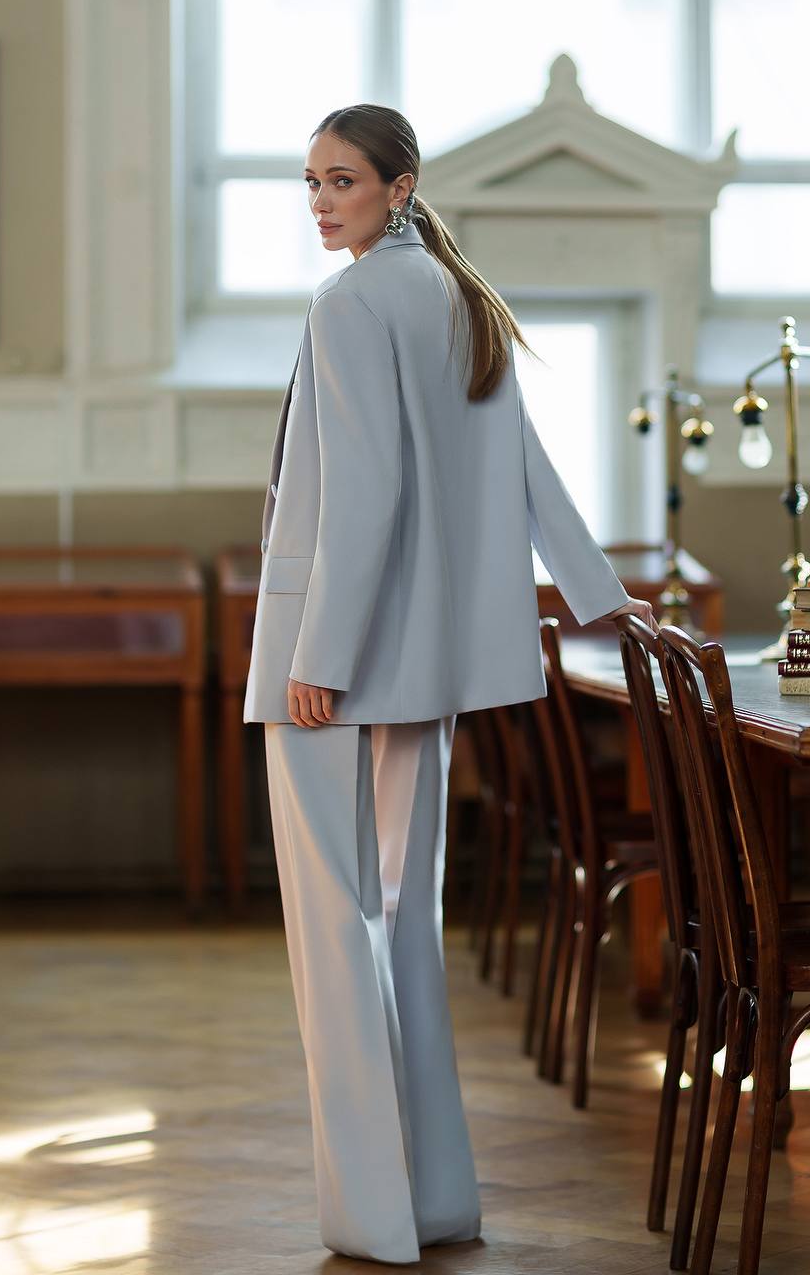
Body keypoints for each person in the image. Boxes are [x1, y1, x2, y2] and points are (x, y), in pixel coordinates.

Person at [242, 103, 657, 1265]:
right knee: (401, 927)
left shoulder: (351, 302)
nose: (321, 201)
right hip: (416, 668)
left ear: (400, 186)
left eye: (342, 180)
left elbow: (364, 492)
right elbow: (529, 467)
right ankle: (431, 1201)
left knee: (339, 937)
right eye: (311, 181)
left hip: (331, 664)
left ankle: (373, 1215)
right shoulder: (459, 297)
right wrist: (600, 593)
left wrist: (319, 656)